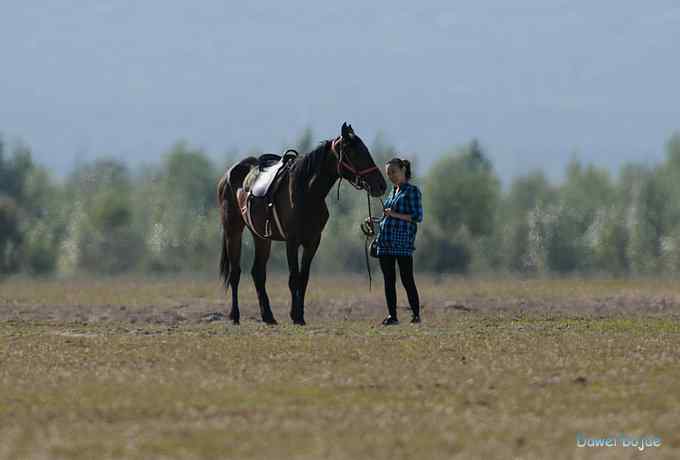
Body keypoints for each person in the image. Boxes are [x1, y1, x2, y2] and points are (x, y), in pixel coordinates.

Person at [372, 157, 423, 325]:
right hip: (385, 242)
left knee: (407, 278)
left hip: (402, 243)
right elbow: (387, 216)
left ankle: (416, 315)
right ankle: (392, 316)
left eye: (393, 172)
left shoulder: (412, 192)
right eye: (388, 174)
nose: (391, 176)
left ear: (403, 170)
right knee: (389, 280)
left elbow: (417, 216)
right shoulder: (392, 192)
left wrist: (393, 215)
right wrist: (375, 221)